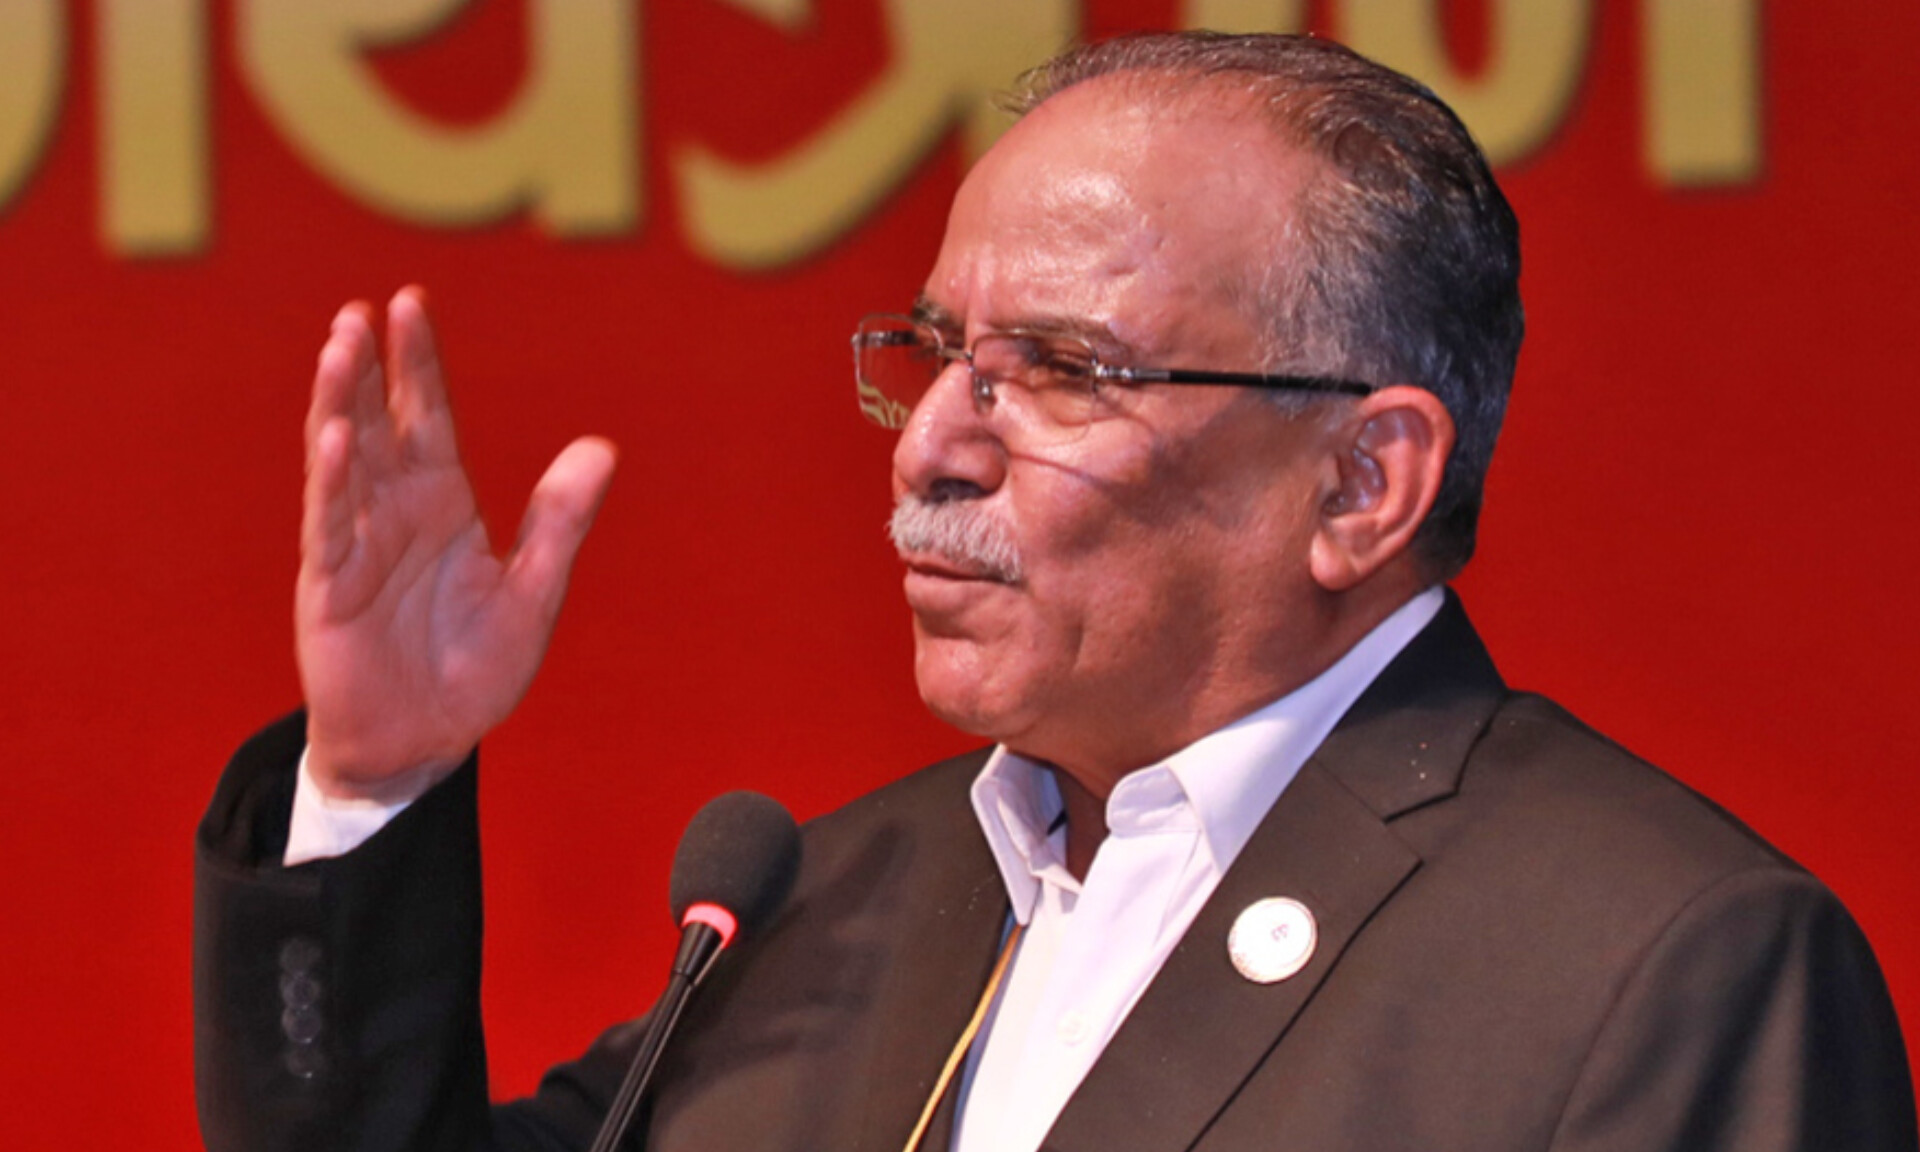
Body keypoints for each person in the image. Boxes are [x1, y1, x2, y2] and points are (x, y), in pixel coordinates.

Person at [194, 31, 1917, 1152]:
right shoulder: (826, 909)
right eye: (938, 351)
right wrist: (375, 782)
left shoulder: (1657, 961)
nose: (933, 446)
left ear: (1362, 481)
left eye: (1066, 372)